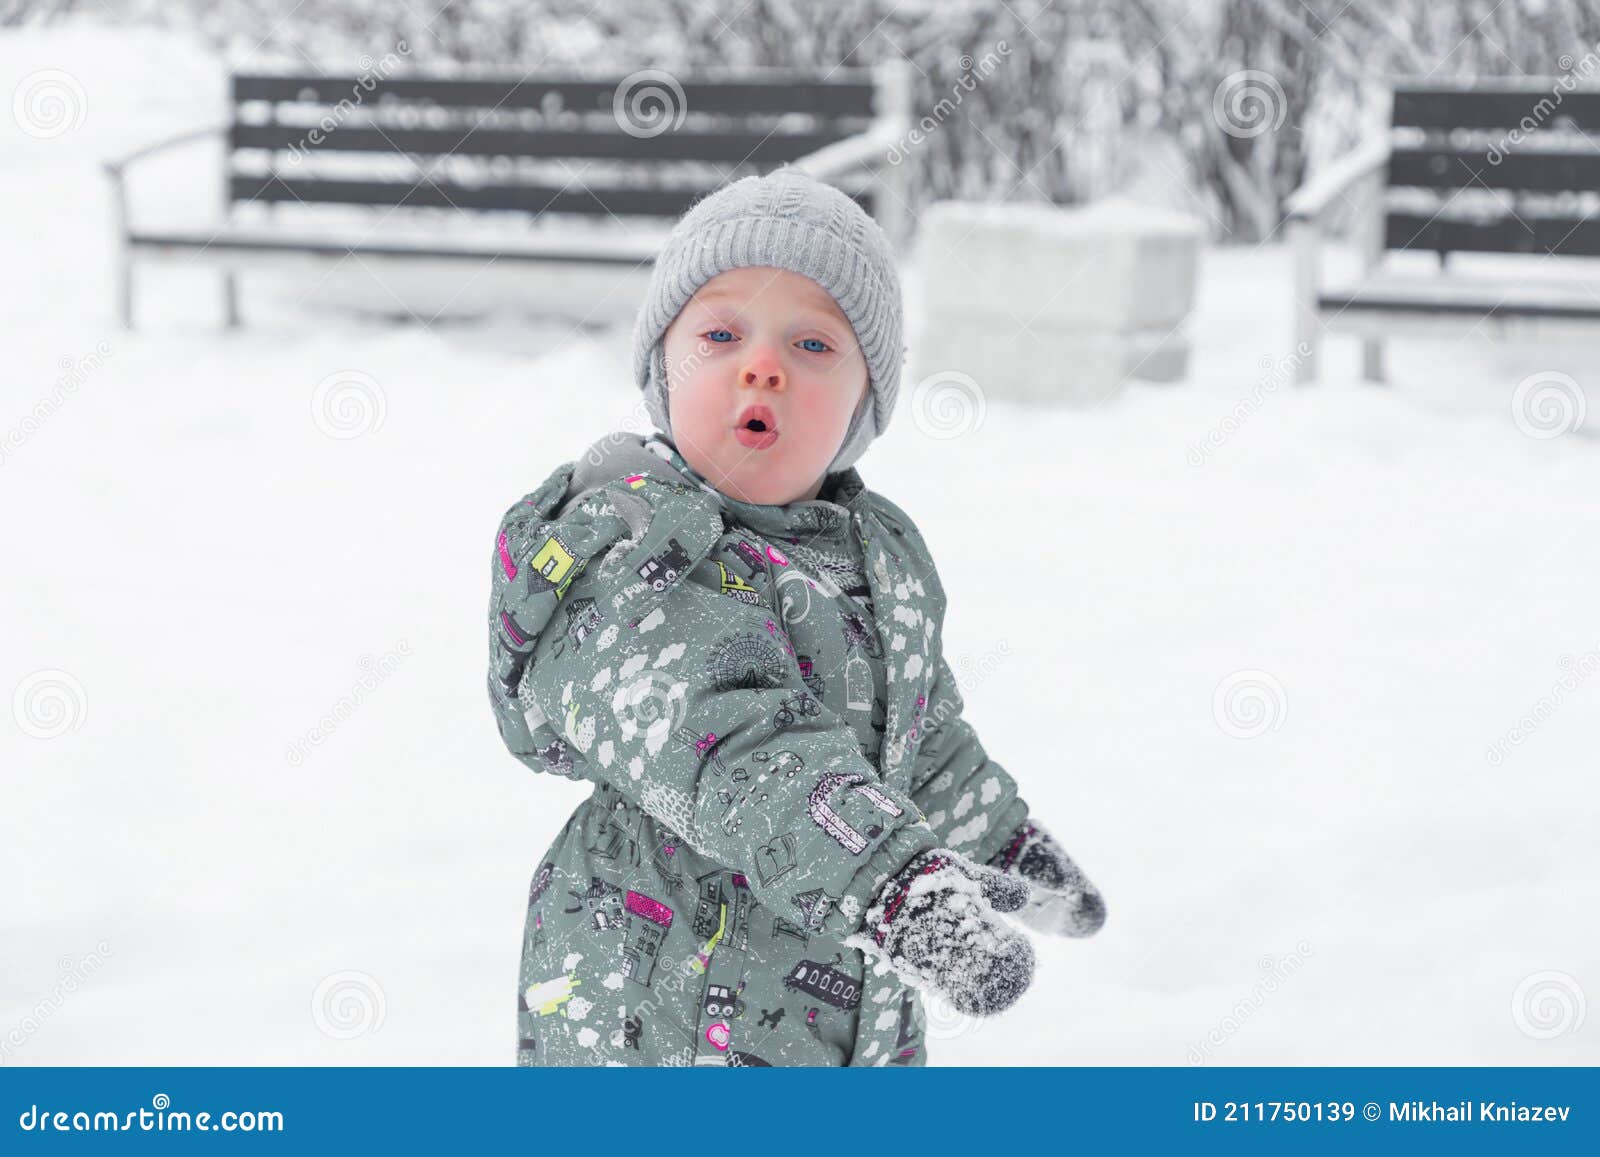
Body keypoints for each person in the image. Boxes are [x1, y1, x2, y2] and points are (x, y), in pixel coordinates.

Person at [486, 166, 1105, 1067]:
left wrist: (995, 837)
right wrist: (901, 890)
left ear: (866, 401)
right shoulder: (631, 544)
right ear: (663, 365)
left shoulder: (877, 553)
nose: (762, 364)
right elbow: (736, 745)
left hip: (847, 1014)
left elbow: (917, 734)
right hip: (660, 1020)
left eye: (813, 345)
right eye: (722, 332)